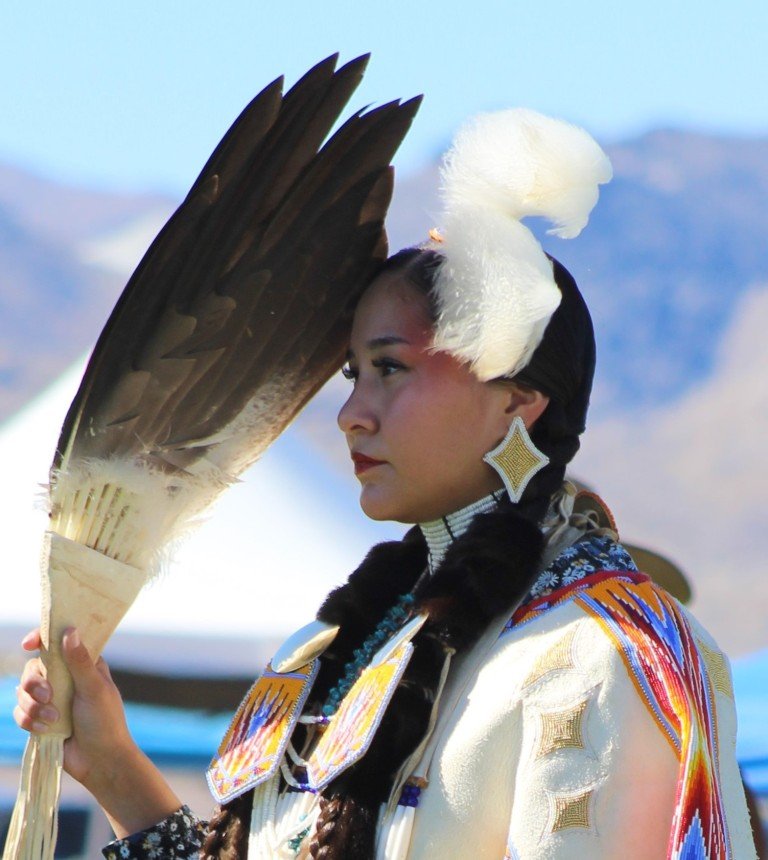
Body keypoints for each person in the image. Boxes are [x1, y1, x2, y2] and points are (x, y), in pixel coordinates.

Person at [13, 106, 758, 859]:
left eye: (391, 370)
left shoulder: (603, 653)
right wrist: (111, 765)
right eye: (353, 375)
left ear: (517, 400)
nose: (351, 416)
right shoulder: (342, 647)